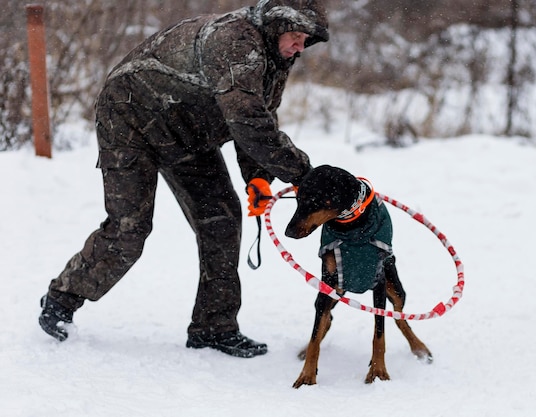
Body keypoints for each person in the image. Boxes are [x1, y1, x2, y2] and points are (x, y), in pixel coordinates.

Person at [38, 0, 328, 358]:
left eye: (305, 40)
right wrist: (307, 177)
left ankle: (213, 328)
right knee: (129, 230)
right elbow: (248, 124)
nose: (300, 46)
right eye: (296, 36)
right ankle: (62, 299)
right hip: (129, 120)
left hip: (188, 132)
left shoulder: (276, 59)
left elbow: (259, 119)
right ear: (276, 26)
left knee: (222, 221)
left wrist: (258, 178)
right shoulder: (237, 41)